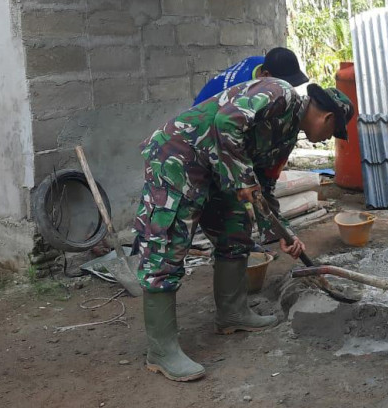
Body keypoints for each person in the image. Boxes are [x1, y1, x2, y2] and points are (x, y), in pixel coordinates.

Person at [133, 79, 354, 382]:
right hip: (180, 158)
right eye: (332, 133)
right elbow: (226, 122)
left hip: (217, 173)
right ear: (328, 118)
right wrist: (244, 177)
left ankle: (232, 313)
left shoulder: (286, 137)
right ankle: (161, 350)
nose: (327, 139)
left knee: (236, 229)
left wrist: (282, 234)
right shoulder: (280, 94)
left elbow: (264, 188)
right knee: (167, 246)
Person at [193, 48, 309, 248]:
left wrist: (278, 231)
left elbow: (264, 180)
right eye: (283, 84)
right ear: (265, 76)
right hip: (203, 131)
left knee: (236, 228)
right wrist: (244, 179)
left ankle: (235, 247)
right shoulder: (249, 91)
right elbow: (227, 127)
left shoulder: (260, 65)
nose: (286, 90)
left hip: (226, 128)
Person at [194, 47, 308, 105]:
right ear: (265, 75)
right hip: (200, 121)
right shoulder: (243, 92)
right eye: (283, 84)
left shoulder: (259, 62)